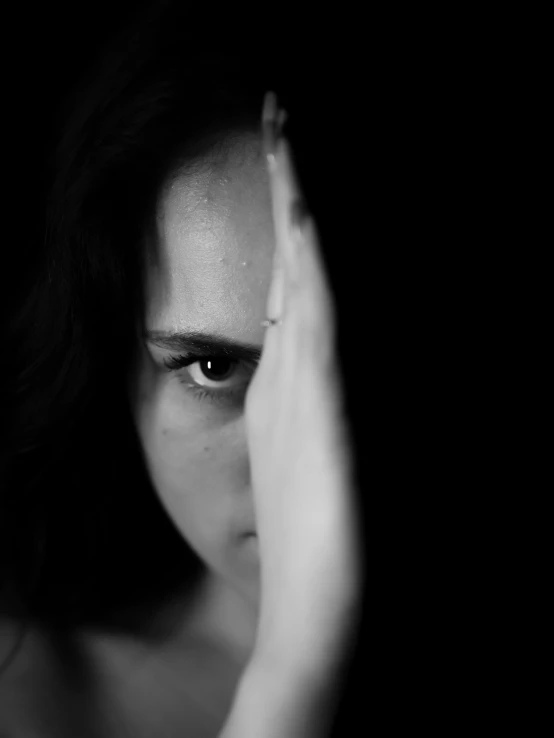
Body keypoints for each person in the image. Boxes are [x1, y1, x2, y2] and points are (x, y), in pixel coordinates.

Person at [0, 4, 362, 736]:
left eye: (332, 366)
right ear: (118, 375)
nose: (288, 459)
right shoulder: (25, 696)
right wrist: (291, 672)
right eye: (214, 364)